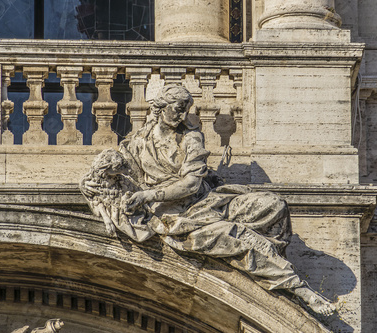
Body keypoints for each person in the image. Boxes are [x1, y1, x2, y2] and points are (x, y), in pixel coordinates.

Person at [80, 84, 335, 316]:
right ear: (160, 108)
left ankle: (275, 261)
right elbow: (114, 173)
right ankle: (293, 285)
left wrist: (149, 194)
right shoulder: (136, 144)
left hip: (206, 201)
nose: (182, 116)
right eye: (178, 110)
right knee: (237, 238)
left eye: (185, 110)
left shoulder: (192, 137)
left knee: (274, 205)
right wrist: (88, 184)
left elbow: (191, 183)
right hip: (172, 215)